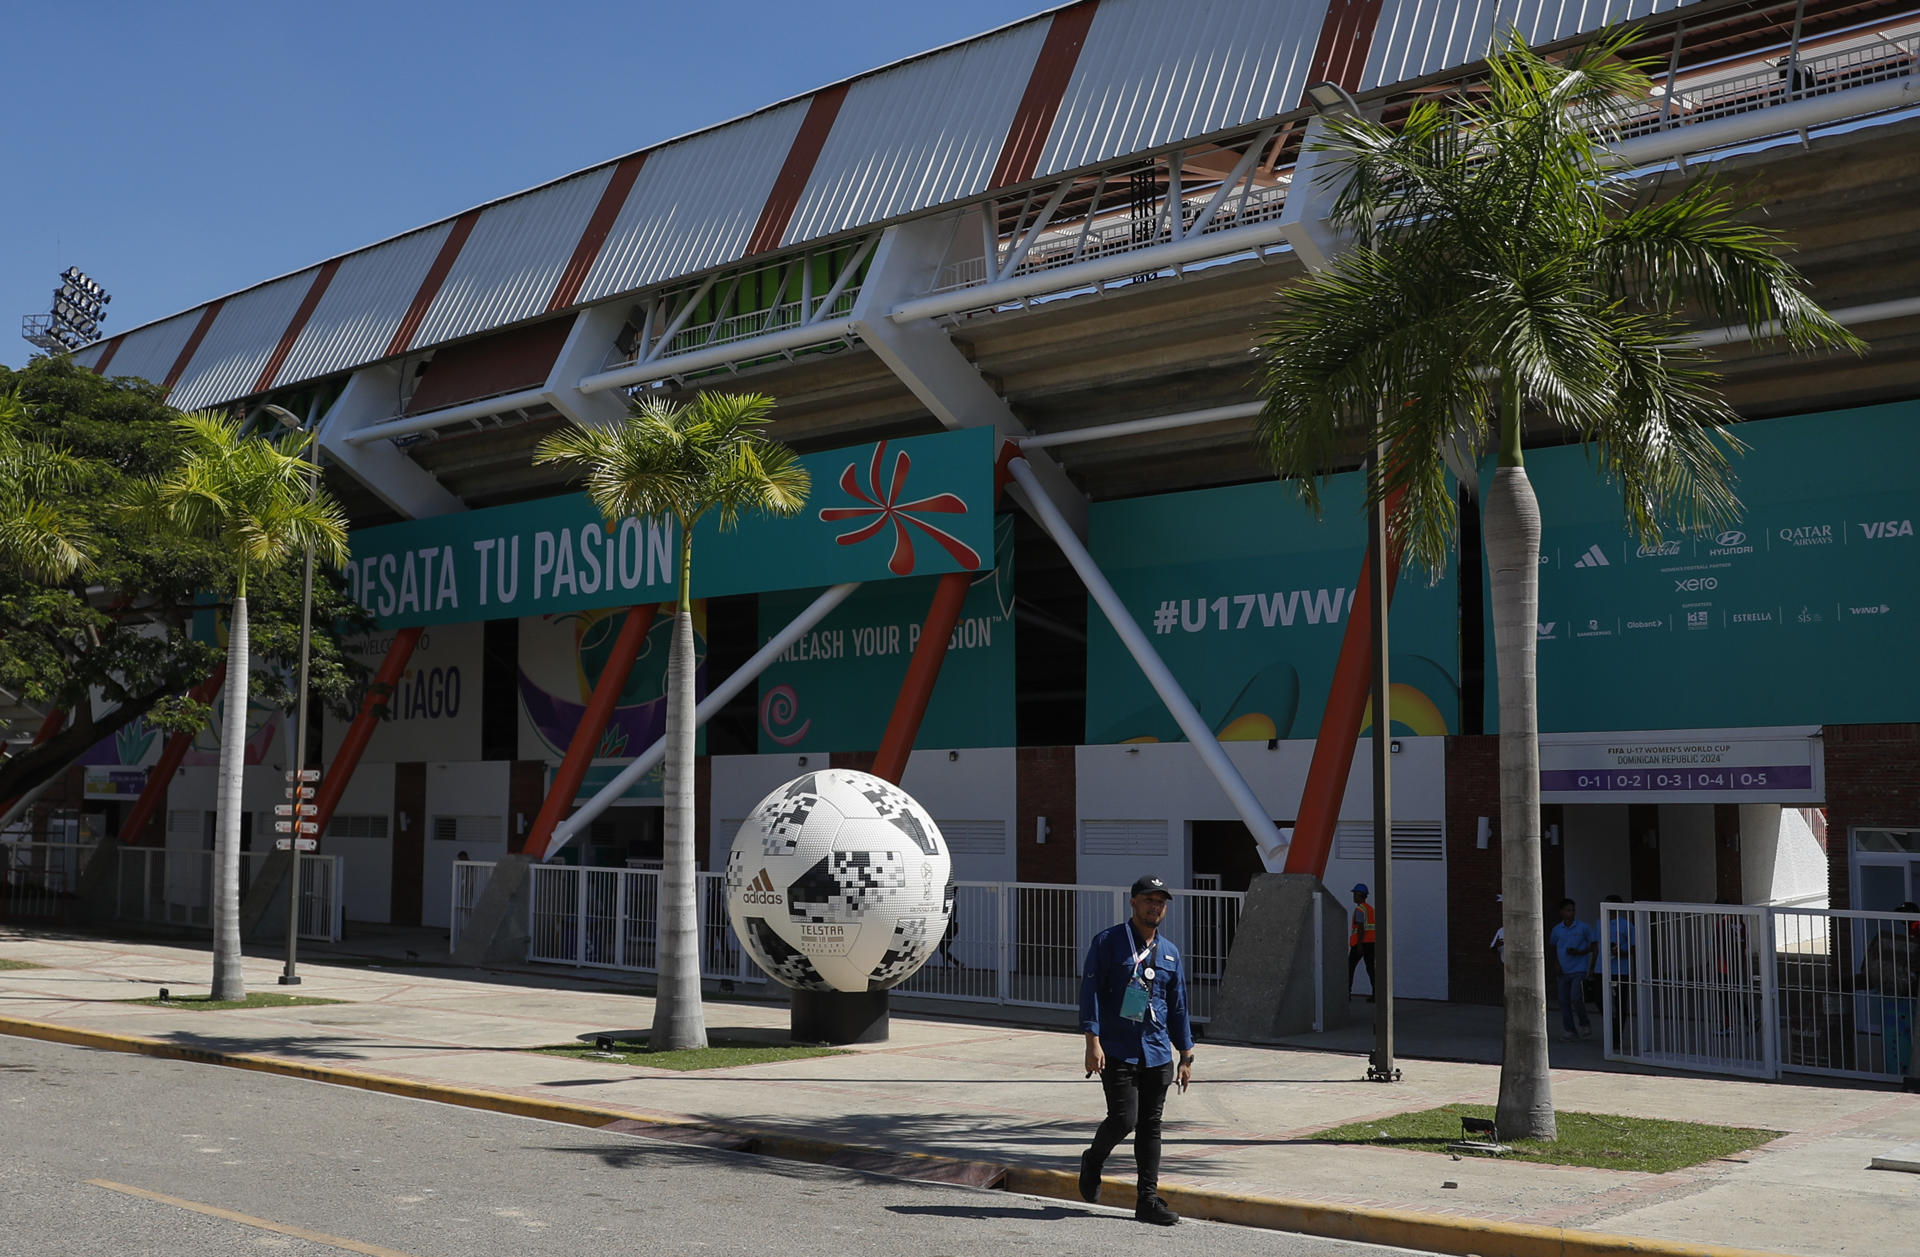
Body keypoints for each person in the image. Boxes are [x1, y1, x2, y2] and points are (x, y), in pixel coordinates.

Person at [1078, 874, 1193, 1227]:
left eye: (1160, 902)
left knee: (1151, 1126)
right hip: (1117, 1048)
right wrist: (1092, 1041)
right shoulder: (1109, 942)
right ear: (1133, 902)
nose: (1155, 907)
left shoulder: (1170, 953)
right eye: (1148, 900)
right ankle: (1093, 1160)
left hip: (1157, 1052)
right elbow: (1091, 993)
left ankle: (1147, 1201)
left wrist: (1185, 1053)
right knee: (1123, 1119)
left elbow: (1177, 1007)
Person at [1549, 897, 1598, 1041]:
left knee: (1576, 997)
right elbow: (1553, 947)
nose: (1571, 913)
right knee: (1563, 1001)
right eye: (1568, 910)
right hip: (1563, 969)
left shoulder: (1583, 927)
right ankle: (1570, 1030)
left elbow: (1594, 946)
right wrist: (1556, 964)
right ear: (1562, 912)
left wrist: (1581, 953)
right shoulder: (1557, 929)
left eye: (1573, 910)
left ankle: (1584, 1023)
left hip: (1579, 968)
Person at [1603, 894, 1634, 1047]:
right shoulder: (1600, 923)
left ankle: (1616, 1037)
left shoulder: (1626, 925)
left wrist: (1621, 952)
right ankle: (1611, 1029)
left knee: (1619, 1003)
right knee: (1601, 999)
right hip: (1602, 970)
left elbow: (1634, 946)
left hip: (1621, 970)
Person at [1348, 883, 1377, 1002]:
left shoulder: (1360, 909)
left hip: (1360, 943)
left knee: (1349, 967)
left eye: (1355, 894)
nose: (1353, 896)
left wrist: (1359, 944)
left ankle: (1346, 992)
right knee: (1370, 968)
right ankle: (1376, 994)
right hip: (1371, 943)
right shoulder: (1370, 909)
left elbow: (1360, 927)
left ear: (1360, 895)